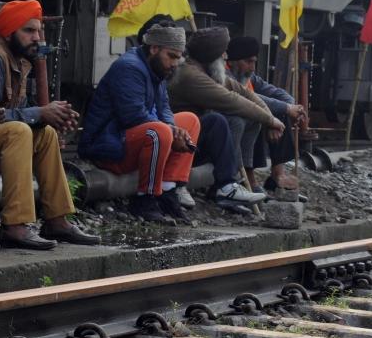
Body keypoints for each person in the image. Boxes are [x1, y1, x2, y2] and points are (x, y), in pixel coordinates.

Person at [0, 0, 98, 247]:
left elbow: (18, 112)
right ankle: (14, 226)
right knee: (19, 131)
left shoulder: (19, 61)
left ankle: (56, 220)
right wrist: (39, 113)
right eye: (29, 31)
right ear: (9, 31)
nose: (37, 37)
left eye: (38, 31)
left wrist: (50, 117)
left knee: (45, 134)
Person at [80, 23, 200, 222]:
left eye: (178, 58)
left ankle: (168, 192)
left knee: (190, 122)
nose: (174, 63)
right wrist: (170, 131)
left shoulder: (156, 67)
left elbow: (164, 108)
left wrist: (176, 130)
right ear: (154, 48)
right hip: (108, 146)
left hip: (129, 140)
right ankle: (145, 199)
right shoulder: (129, 67)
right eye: (171, 56)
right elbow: (133, 116)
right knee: (159, 132)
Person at [168, 26, 271, 208]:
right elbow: (233, 101)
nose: (225, 56)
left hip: (191, 143)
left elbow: (244, 93)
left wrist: (271, 119)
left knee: (240, 120)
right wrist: (271, 120)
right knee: (219, 121)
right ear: (211, 55)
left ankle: (229, 185)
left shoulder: (208, 72)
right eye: (222, 52)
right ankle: (223, 186)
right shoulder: (190, 75)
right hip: (180, 144)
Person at [225, 36, 303, 192]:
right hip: (230, 121)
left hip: (251, 116)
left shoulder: (249, 76)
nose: (253, 67)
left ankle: (277, 174)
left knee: (279, 111)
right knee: (261, 116)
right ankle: (248, 178)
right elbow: (249, 98)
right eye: (248, 62)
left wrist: (291, 106)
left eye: (254, 61)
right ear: (232, 61)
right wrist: (278, 114)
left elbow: (277, 94)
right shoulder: (225, 76)